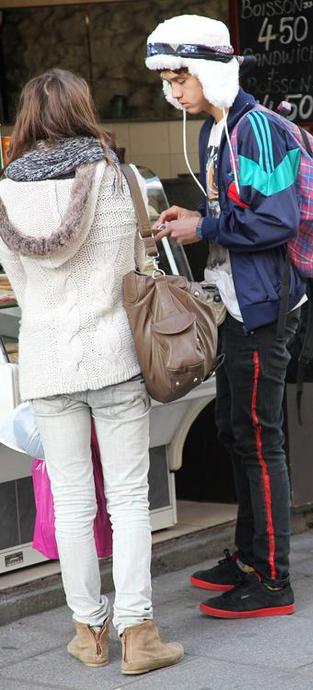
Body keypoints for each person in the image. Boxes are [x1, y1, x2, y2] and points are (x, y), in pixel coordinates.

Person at [0, 69, 183, 673]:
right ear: (83, 108)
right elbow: (138, 262)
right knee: (130, 497)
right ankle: (139, 634)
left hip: (49, 361)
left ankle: (88, 632)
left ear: (28, 117)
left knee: (73, 501)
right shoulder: (118, 178)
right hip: (113, 356)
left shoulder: (6, 191)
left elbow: (21, 288)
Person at [145, 15, 306, 618]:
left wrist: (203, 225)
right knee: (237, 433)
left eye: (179, 76)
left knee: (259, 440)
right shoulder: (221, 127)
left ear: (210, 70)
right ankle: (248, 556)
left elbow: (277, 219)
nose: (172, 91)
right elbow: (245, 211)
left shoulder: (256, 128)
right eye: (165, 79)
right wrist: (197, 220)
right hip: (242, 302)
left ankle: (272, 579)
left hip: (264, 307)